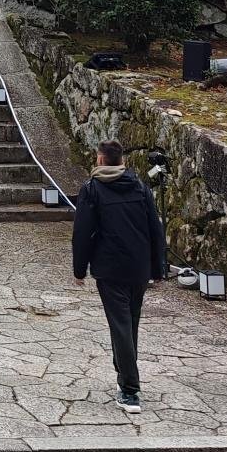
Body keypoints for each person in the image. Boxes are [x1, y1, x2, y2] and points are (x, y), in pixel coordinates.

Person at [72, 140, 166, 413]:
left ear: (100, 159)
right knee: (129, 322)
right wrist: (157, 267)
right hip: (138, 267)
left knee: (120, 325)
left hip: (110, 267)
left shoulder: (92, 189)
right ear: (121, 160)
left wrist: (80, 269)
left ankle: (130, 389)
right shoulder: (140, 187)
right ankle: (124, 374)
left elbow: (82, 233)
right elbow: (155, 229)